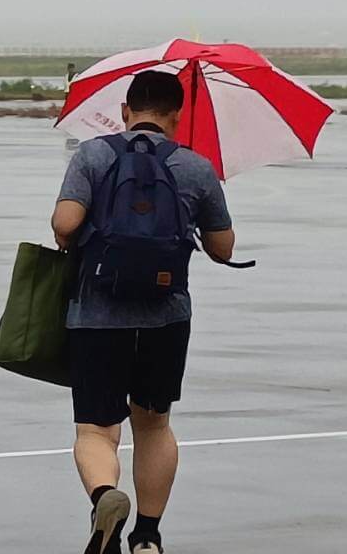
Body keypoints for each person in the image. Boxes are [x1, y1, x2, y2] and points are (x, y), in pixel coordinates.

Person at [50, 70, 236, 554]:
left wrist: (72, 235)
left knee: (96, 428)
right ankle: (148, 537)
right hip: (165, 316)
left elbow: (66, 223)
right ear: (177, 117)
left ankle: (105, 496)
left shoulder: (93, 153)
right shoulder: (195, 165)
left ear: (126, 111)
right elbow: (223, 247)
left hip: (96, 314)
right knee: (153, 425)